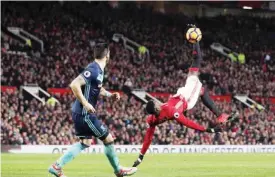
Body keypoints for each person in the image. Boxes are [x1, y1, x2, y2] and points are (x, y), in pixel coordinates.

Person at [132, 32, 238, 167]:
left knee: (195, 74)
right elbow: (187, 122)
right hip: (187, 98)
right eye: (157, 102)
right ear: (157, 107)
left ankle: (220, 115)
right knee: (197, 72)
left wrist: (141, 156)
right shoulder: (170, 111)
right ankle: (196, 40)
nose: (158, 101)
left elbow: (148, 137)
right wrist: (207, 130)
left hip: (181, 93)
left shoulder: (152, 119)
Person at [48, 43, 137, 177]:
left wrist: (109, 95)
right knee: (108, 139)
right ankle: (118, 170)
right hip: (85, 114)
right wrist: (85, 103)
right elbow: (74, 84)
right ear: (107, 55)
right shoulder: (94, 69)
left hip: (79, 112)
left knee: (85, 142)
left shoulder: (98, 70)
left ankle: (56, 166)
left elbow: (97, 88)